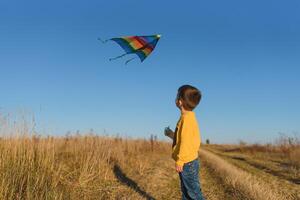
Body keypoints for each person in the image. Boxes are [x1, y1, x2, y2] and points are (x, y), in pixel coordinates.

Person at [165, 85, 205, 200]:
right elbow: (182, 138)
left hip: (187, 163)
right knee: (186, 192)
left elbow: (186, 143)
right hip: (188, 162)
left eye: (177, 95)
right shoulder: (186, 117)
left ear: (180, 101)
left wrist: (180, 160)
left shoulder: (187, 119)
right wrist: (171, 134)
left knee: (194, 194)